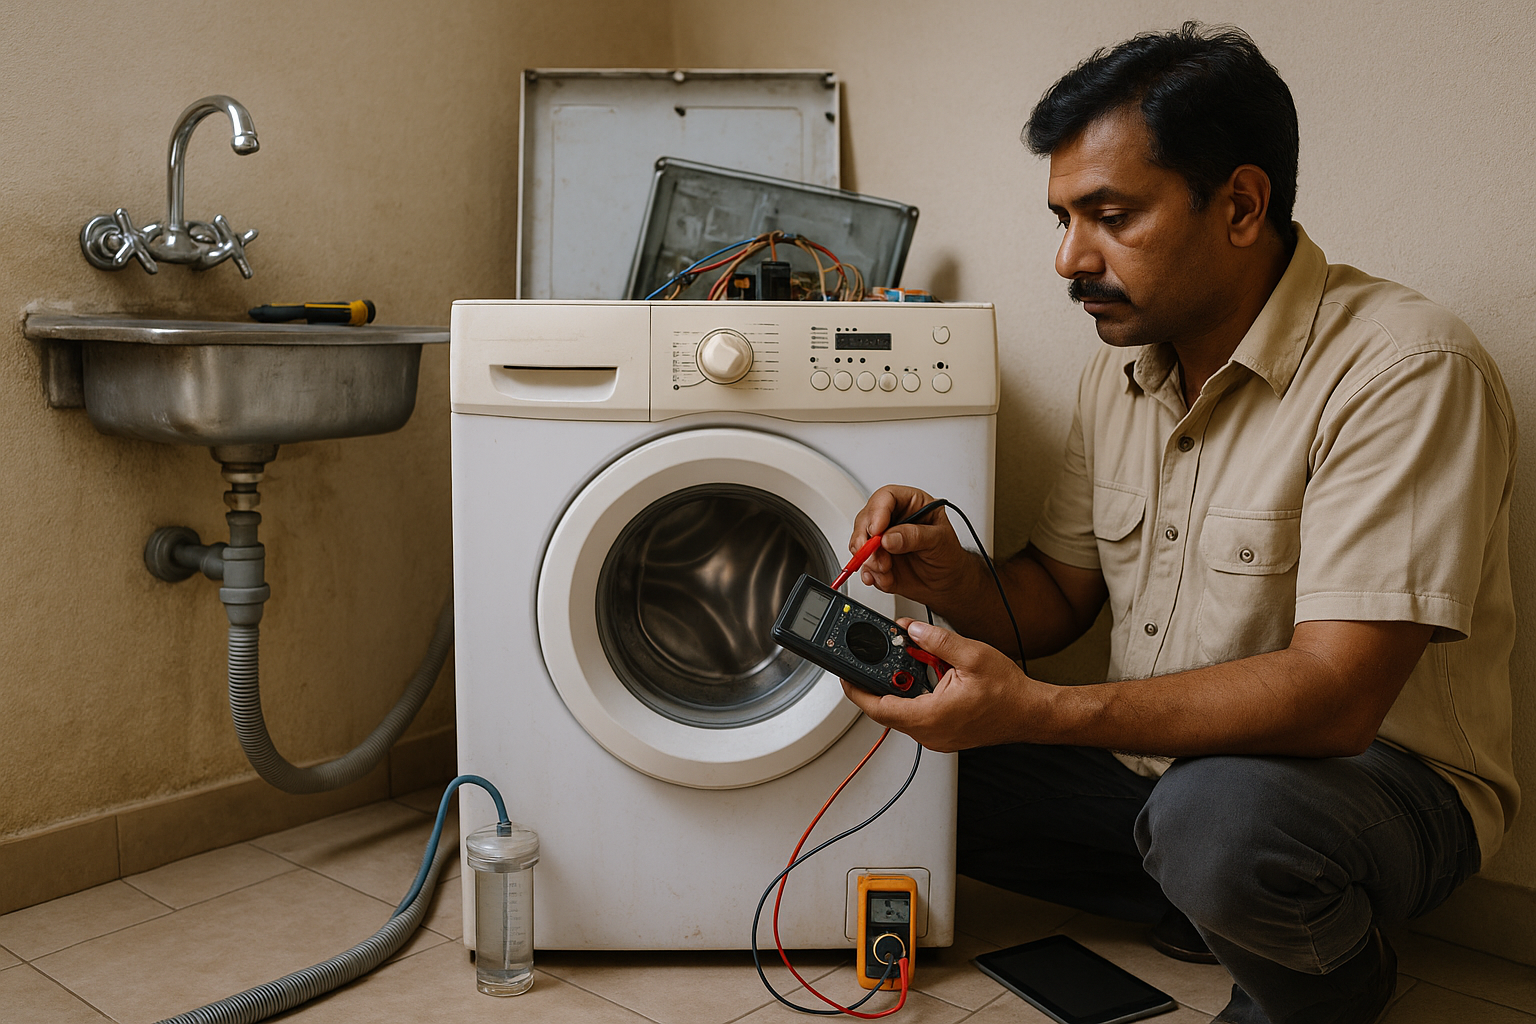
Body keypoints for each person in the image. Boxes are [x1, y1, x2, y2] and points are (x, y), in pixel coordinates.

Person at [841, 23, 1517, 1024]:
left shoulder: (1405, 369)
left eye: (1111, 216)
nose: (1069, 258)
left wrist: (1036, 711)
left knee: (1220, 821)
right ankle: (1210, 900)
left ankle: (1332, 965)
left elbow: (1337, 698)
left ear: (1241, 205)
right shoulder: (1119, 370)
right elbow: (1055, 597)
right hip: (1157, 777)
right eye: (1064, 218)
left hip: (1372, 785)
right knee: (898, 739)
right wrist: (953, 579)